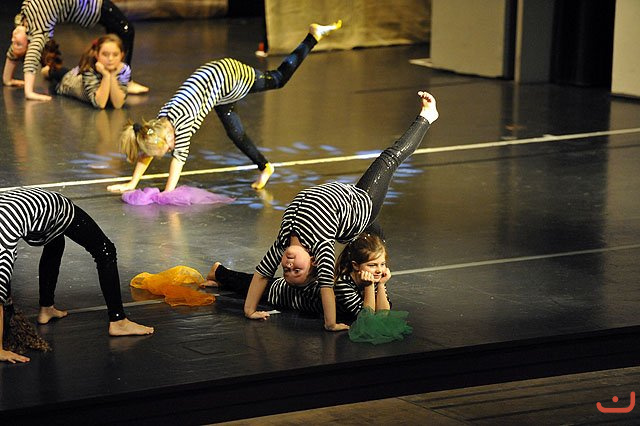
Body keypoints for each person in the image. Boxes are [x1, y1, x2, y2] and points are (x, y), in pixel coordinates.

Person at [243, 91, 439, 331]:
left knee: (374, 248)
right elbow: (326, 287)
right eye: (297, 269)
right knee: (389, 159)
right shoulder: (321, 245)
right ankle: (426, 117)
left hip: (347, 202)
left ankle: (376, 283)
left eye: (286, 268)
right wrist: (331, 323)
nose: (289, 263)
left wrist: (249, 310)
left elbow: (262, 274)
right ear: (314, 261)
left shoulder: (282, 241)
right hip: (361, 208)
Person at [106, 20, 343, 193]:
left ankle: (312, 36)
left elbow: (177, 163)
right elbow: (148, 147)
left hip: (230, 77)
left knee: (278, 79)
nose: (171, 150)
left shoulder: (182, 127)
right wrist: (132, 183)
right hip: (213, 83)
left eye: (168, 148)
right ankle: (266, 167)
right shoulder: (159, 123)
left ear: (169, 137)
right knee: (235, 132)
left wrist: (167, 194)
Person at [0, 187, 154, 364]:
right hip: (25, 207)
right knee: (103, 250)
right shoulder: (3, 248)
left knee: (63, 241)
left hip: (50, 206)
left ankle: (47, 308)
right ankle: (118, 322)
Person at [201, 231, 391, 318]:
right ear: (356, 266)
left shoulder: (373, 279)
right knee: (244, 284)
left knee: (244, 283)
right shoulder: (343, 284)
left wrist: (381, 285)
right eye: (372, 265)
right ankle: (218, 271)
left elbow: (384, 313)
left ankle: (220, 276)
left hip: (301, 291)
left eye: (382, 264)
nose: (379, 270)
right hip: (285, 293)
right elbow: (367, 318)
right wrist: (369, 288)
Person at [2, 0, 148, 101]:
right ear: (30, 44)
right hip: (91, 6)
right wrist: (29, 92)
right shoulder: (39, 33)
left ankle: (117, 79)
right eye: (18, 44)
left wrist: (7, 80)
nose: (13, 39)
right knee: (126, 31)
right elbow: (31, 59)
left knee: (115, 36)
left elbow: (15, 50)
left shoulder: (24, 18)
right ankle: (124, 81)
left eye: (15, 42)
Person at [42, 34, 130, 109]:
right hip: (68, 81)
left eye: (115, 55)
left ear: (122, 55)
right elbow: (100, 104)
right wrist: (106, 76)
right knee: (57, 72)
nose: (110, 59)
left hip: (75, 74)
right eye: (105, 54)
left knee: (67, 71)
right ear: (97, 55)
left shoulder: (123, 70)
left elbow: (118, 104)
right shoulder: (89, 70)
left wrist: (113, 75)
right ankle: (47, 70)